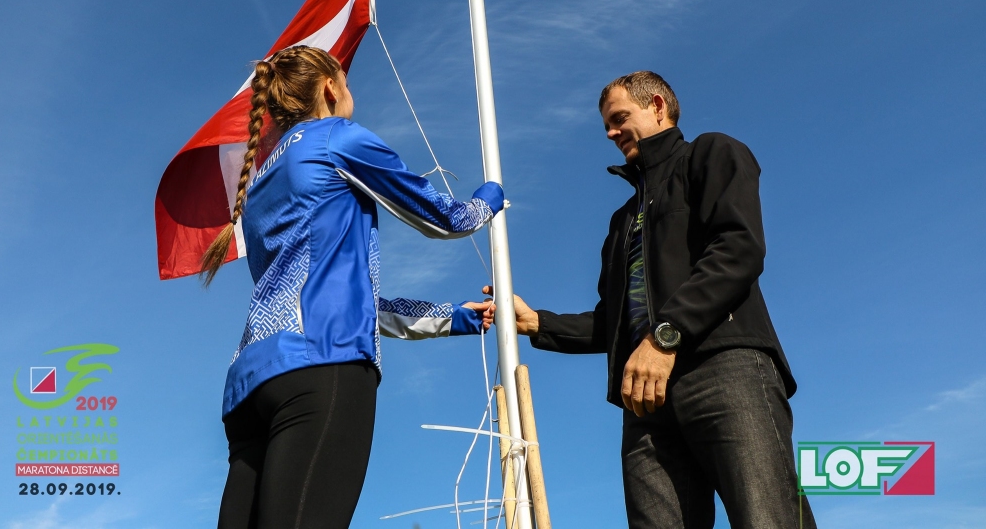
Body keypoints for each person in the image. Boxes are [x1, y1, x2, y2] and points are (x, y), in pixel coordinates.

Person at [492, 71, 816, 528]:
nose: (611, 133)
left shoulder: (711, 153)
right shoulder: (621, 222)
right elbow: (614, 323)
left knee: (767, 517)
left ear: (658, 106)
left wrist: (664, 338)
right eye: (607, 125)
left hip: (724, 368)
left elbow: (738, 248)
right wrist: (538, 323)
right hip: (645, 400)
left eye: (619, 118)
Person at [202, 45, 505, 529]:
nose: (350, 92)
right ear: (329, 88)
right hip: (322, 367)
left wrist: (453, 318)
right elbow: (446, 220)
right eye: (346, 82)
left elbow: (335, 296)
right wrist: (489, 199)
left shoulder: (257, 185)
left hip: (249, 387)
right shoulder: (336, 138)